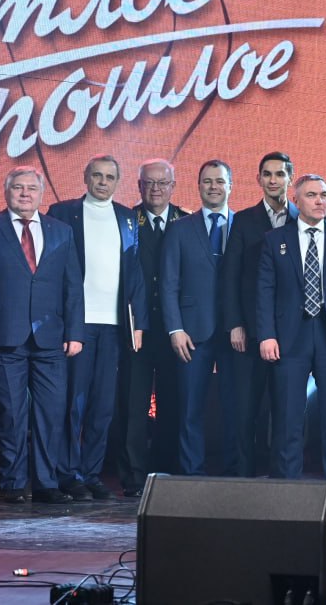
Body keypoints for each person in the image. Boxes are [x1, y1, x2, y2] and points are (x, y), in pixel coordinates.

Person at [0, 166, 84, 505]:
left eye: (31, 188)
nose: (25, 193)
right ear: (6, 191)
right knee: (11, 413)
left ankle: (46, 483)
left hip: (51, 338)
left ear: (41, 194)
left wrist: (75, 332)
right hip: (2, 335)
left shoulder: (61, 231)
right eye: (18, 187)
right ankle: (12, 482)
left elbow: (72, 286)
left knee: (51, 413)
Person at [46, 155, 148, 501]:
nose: (103, 182)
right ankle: (67, 473)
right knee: (73, 403)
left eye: (110, 177)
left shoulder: (128, 217)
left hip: (115, 326)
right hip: (79, 325)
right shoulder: (63, 212)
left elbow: (135, 273)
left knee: (103, 406)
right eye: (98, 175)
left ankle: (90, 473)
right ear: (86, 177)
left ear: (118, 181)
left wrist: (138, 323)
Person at [256, 174, 326, 479]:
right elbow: (265, 290)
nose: (320, 201)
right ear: (296, 200)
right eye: (312, 195)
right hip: (290, 337)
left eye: (324, 195)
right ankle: (288, 483)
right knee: (289, 414)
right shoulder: (275, 239)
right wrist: (266, 335)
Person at [219, 151, 297, 477]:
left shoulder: (302, 218)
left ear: (290, 178)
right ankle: (243, 475)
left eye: (279, 174)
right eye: (267, 174)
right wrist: (235, 323)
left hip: (291, 333)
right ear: (259, 179)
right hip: (250, 332)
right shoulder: (244, 220)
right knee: (245, 408)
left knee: (285, 410)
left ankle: (279, 475)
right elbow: (231, 276)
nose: (273, 180)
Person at [114, 158, 188, 497]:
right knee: (134, 404)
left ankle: (166, 472)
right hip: (137, 328)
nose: (156, 189)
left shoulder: (186, 222)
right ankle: (133, 476)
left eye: (163, 183)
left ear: (173, 186)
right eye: (149, 183)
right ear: (139, 186)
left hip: (176, 328)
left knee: (173, 402)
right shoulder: (127, 221)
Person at [161, 160, 235, 476]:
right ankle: (192, 472)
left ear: (230, 185)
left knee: (235, 408)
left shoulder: (243, 225)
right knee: (191, 408)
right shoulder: (180, 228)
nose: (213, 187)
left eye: (219, 181)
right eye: (207, 181)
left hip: (235, 332)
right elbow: (168, 283)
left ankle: (234, 472)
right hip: (191, 332)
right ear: (199, 185)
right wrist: (175, 329)